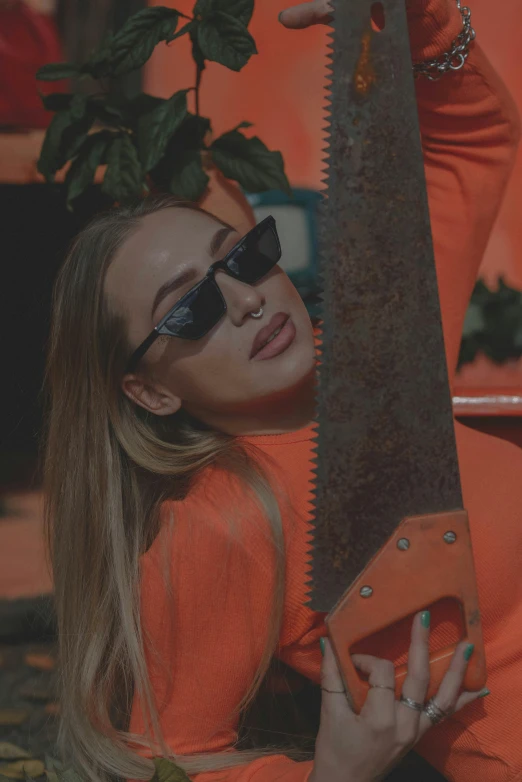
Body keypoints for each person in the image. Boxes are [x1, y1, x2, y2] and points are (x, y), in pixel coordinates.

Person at [43, 1, 522, 781]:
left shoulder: (375, 352)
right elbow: (164, 759)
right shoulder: (226, 521)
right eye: (190, 307)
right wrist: (329, 777)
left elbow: (472, 146)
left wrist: (413, 18)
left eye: (243, 256)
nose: (246, 298)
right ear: (148, 391)